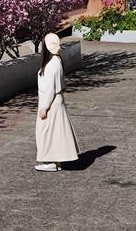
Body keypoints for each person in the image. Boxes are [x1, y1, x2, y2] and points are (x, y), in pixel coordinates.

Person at [35, 32, 80, 172]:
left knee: (46, 132)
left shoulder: (51, 66)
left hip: (51, 102)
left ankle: (50, 161)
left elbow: (50, 89)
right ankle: (56, 161)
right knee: (56, 131)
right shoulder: (57, 61)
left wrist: (44, 107)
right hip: (57, 100)